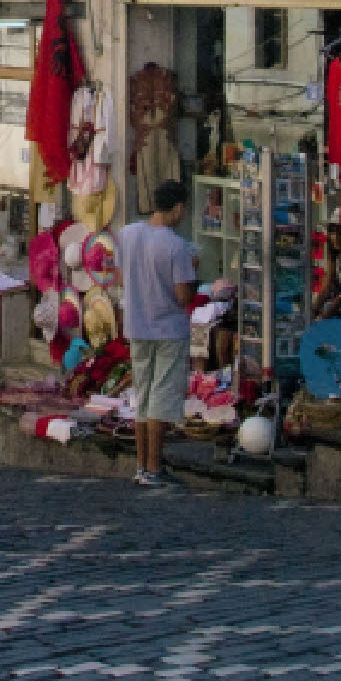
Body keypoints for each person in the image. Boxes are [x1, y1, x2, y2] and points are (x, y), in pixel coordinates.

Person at [116, 180, 199, 489]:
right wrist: (193, 272)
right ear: (177, 207)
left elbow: (122, 277)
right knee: (161, 397)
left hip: (138, 324)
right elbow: (182, 296)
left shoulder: (127, 234)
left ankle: (141, 465)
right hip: (167, 328)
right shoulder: (176, 246)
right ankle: (154, 467)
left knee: (144, 395)